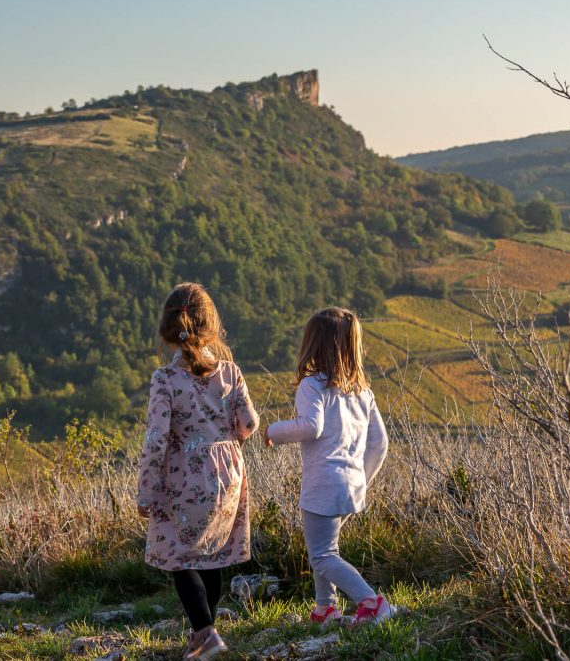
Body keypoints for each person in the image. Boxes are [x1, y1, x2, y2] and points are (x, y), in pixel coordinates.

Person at [137, 282, 259, 660]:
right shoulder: (230, 372)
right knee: (213, 551)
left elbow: (156, 438)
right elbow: (249, 423)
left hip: (184, 476)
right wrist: (225, 439)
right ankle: (205, 631)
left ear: (167, 332)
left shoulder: (166, 379)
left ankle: (205, 633)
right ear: (211, 326)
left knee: (180, 554)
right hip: (228, 474)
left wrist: (146, 491)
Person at [265, 307, 393, 625]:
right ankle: (326, 608)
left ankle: (372, 602)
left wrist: (272, 431)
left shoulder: (312, 385)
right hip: (352, 485)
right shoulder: (363, 391)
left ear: (313, 343)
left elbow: (311, 427)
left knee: (322, 555)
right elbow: (380, 444)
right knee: (326, 549)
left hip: (323, 484)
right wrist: (361, 478)